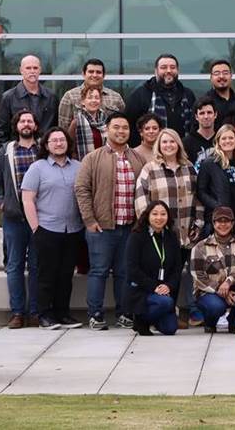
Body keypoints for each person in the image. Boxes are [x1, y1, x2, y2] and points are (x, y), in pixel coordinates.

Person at [75, 112, 148, 330]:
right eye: (116, 127)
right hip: (101, 227)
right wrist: (89, 219)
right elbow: (81, 189)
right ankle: (95, 314)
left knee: (124, 272)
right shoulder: (93, 157)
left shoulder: (137, 158)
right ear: (107, 130)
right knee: (98, 270)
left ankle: (124, 313)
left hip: (130, 227)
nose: (121, 131)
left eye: (125, 127)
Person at [20, 127, 83, 330]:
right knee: (47, 274)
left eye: (62, 140)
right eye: (54, 140)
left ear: (68, 143)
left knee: (66, 275)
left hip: (73, 230)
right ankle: (44, 315)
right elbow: (28, 199)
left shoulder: (78, 167)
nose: (58, 143)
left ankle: (62, 313)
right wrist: (36, 228)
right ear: (46, 145)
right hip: (47, 229)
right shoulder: (37, 168)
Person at [0, 110, 41, 328]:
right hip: (13, 218)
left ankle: (35, 312)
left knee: (37, 265)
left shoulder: (43, 150)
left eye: (30, 120)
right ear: (17, 125)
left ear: (35, 126)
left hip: (40, 218)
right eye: (22, 121)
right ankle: (17, 313)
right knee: (14, 265)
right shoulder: (7, 150)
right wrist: (1, 202)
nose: (26, 124)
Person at [134, 128, 203, 250]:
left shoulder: (189, 167)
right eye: (164, 142)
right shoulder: (149, 169)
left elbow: (198, 197)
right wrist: (150, 227)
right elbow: (141, 201)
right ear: (159, 146)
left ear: (178, 144)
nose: (168, 145)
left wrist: (198, 223)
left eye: (172, 141)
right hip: (161, 235)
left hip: (187, 236)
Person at [125, 201, 183, 335]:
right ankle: (141, 320)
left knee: (170, 329)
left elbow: (177, 268)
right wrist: (154, 287)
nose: (159, 218)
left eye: (163, 214)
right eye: (155, 214)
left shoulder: (171, 237)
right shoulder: (137, 236)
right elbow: (132, 269)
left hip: (164, 289)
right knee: (166, 302)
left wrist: (168, 286)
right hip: (142, 290)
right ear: (147, 216)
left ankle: (152, 319)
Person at [190, 206, 235, 333]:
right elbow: (198, 276)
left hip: (234, 287)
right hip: (209, 291)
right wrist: (220, 290)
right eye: (219, 221)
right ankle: (210, 322)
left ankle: (234, 321)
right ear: (213, 223)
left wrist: (229, 281)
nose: (223, 224)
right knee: (216, 307)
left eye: (227, 221)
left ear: (233, 223)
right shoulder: (200, 247)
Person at [196, 124, 235, 238]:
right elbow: (201, 191)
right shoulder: (209, 163)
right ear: (218, 141)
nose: (228, 141)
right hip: (219, 218)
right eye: (224, 138)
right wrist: (217, 206)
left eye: (231, 138)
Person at [125, 54, 195, 141]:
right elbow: (129, 125)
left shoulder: (188, 94)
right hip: (150, 151)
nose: (169, 70)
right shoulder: (141, 94)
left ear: (177, 70)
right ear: (156, 71)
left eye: (172, 67)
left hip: (182, 150)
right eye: (164, 67)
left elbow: (194, 125)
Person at [0, 55, 58, 147]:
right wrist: (5, 155)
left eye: (35, 68)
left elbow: (56, 126)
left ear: (40, 70)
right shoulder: (8, 97)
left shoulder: (51, 97)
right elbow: (1, 132)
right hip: (18, 152)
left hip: (45, 152)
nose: (32, 71)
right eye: (28, 68)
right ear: (21, 70)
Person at [57, 58, 125, 134]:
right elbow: (63, 129)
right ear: (83, 74)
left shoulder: (116, 97)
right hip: (80, 144)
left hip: (108, 144)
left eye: (98, 72)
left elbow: (123, 124)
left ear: (104, 75)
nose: (94, 75)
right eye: (91, 72)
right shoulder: (70, 96)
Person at [68, 86, 107, 160]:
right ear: (83, 101)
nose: (94, 100)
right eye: (90, 97)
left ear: (100, 101)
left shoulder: (106, 121)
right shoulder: (76, 122)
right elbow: (70, 148)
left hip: (103, 164)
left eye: (97, 98)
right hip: (83, 165)